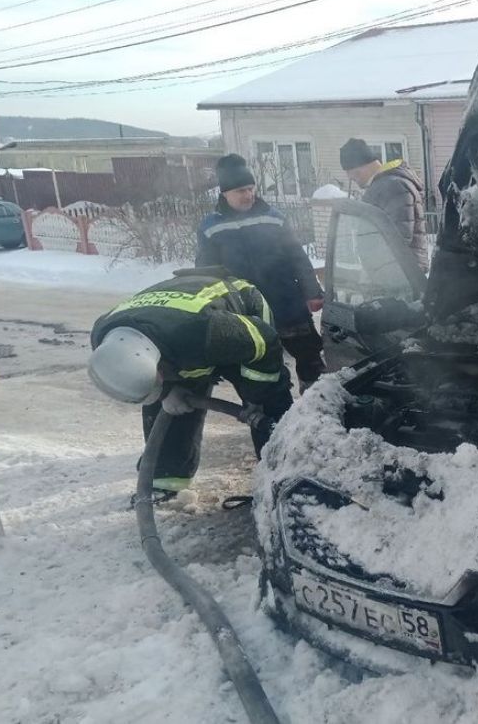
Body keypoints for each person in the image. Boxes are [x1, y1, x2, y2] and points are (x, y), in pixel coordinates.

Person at [88, 267, 293, 500]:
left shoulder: (209, 333)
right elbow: (151, 383)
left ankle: (284, 473)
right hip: (174, 335)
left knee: (268, 395)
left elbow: (265, 343)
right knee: (161, 403)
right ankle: (165, 478)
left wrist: (256, 397)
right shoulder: (104, 335)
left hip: (241, 313)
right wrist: (166, 393)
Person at [196, 153, 326, 391]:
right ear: (225, 193)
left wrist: (313, 291)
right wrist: (212, 307)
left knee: (310, 358)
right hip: (246, 310)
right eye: (240, 191)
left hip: (287, 303)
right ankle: (278, 411)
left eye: (250, 188)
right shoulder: (211, 227)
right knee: (263, 366)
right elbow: (206, 272)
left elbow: (297, 256)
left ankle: (315, 403)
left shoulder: (273, 218)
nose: (248, 195)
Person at [340, 138, 429, 272]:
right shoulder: (385, 184)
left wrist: (374, 269)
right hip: (396, 274)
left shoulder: (392, 186)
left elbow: (398, 239)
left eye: (350, 173)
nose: (350, 178)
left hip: (400, 277)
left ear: (359, 168)